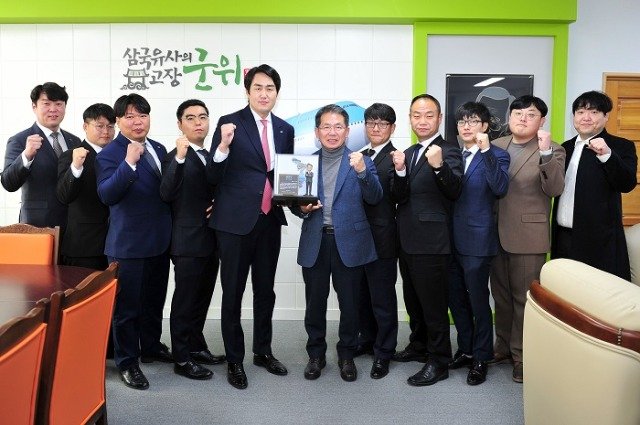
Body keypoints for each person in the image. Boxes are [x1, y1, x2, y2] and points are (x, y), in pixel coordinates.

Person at [206, 64, 294, 390]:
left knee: (265, 291)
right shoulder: (229, 123)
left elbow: (284, 176)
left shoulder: (284, 129)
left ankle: (263, 351)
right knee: (233, 292)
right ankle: (234, 359)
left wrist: (300, 202)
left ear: (276, 93)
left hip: (269, 220)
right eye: (258, 87)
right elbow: (212, 175)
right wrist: (222, 147)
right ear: (247, 91)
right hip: (234, 223)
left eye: (270, 88)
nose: (264, 93)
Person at [295, 104, 382, 382]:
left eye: (338, 127)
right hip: (316, 242)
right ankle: (316, 355)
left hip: (351, 243)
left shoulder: (361, 160)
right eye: (326, 127)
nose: (332, 132)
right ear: (317, 131)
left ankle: (347, 355)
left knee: (350, 305)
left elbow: (375, 197)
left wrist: (362, 172)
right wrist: (301, 209)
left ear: (347, 131)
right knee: (315, 305)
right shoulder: (303, 163)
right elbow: (296, 204)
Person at [96, 93, 172, 390]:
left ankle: (150, 346)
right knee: (127, 309)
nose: (137, 121)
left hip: (159, 240)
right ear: (118, 121)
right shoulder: (109, 154)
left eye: (142, 115)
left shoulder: (159, 148)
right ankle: (127, 363)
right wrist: (128, 163)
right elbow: (107, 195)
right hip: (127, 245)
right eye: (129, 116)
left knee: (154, 301)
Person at [491, 95, 565, 383]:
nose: (523, 118)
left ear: (541, 121)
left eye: (530, 114)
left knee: (524, 300)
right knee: (501, 297)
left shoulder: (553, 148)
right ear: (509, 117)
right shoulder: (495, 145)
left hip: (528, 236)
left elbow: (555, 189)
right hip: (494, 235)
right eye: (518, 113)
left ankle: (522, 356)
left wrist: (545, 153)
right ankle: (502, 347)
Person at [391, 94, 463, 387]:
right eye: (416, 115)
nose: (422, 121)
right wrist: (399, 171)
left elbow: (455, 190)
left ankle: (439, 360)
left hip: (433, 242)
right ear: (410, 118)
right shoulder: (408, 152)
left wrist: (438, 166)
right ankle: (419, 345)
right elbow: (399, 196)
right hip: (407, 239)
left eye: (429, 115)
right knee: (413, 300)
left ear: (439, 118)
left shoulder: (449, 150)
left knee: (433, 305)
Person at [160, 99, 225, 381]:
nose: (198, 122)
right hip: (187, 241)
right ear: (180, 124)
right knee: (185, 302)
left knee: (201, 299)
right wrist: (179, 157)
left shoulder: (211, 155)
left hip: (211, 240)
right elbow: (166, 192)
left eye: (203, 117)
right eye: (190, 118)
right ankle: (182, 357)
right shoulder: (175, 156)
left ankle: (197, 346)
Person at [447, 102, 510, 386]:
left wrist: (486, 152)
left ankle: (482, 356)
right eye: (462, 122)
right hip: (450, 239)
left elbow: (500, 187)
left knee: (478, 301)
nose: (466, 127)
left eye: (473, 121)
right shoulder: (453, 155)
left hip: (477, 240)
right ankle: (466, 349)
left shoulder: (497, 155)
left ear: (485, 126)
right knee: (456, 300)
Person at [552, 90, 637, 280]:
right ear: (574, 117)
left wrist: (607, 155)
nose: (586, 117)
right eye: (580, 112)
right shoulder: (565, 147)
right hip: (563, 237)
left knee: (597, 293)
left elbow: (627, 183)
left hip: (599, 241)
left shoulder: (621, 146)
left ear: (606, 116)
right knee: (563, 291)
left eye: (594, 112)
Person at [353, 103, 399, 379]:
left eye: (382, 123)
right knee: (361, 295)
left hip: (383, 237)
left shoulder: (397, 158)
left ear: (392, 128)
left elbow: (395, 194)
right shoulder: (358, 155)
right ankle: (368, 339)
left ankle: (384, 351)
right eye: (371, 122)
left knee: (382, 298)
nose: (376, 128)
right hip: (358, 237)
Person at [2, 82, 81, 229]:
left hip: (73, 226)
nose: (53, 109)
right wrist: (26, 156)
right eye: (46, 104)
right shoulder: (19, 140)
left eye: (58, 104)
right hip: (38, 225)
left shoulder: (74, 141)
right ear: (34, 106)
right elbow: (8, 183)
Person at [56, 103, 115, 270]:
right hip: (84, 246)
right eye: (100, 126)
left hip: (118, 244)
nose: (106, 131)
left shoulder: (121, 156)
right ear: (85, 126)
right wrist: (76, 166)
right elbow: (64, 196)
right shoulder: (71, 156)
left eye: (110, 126)